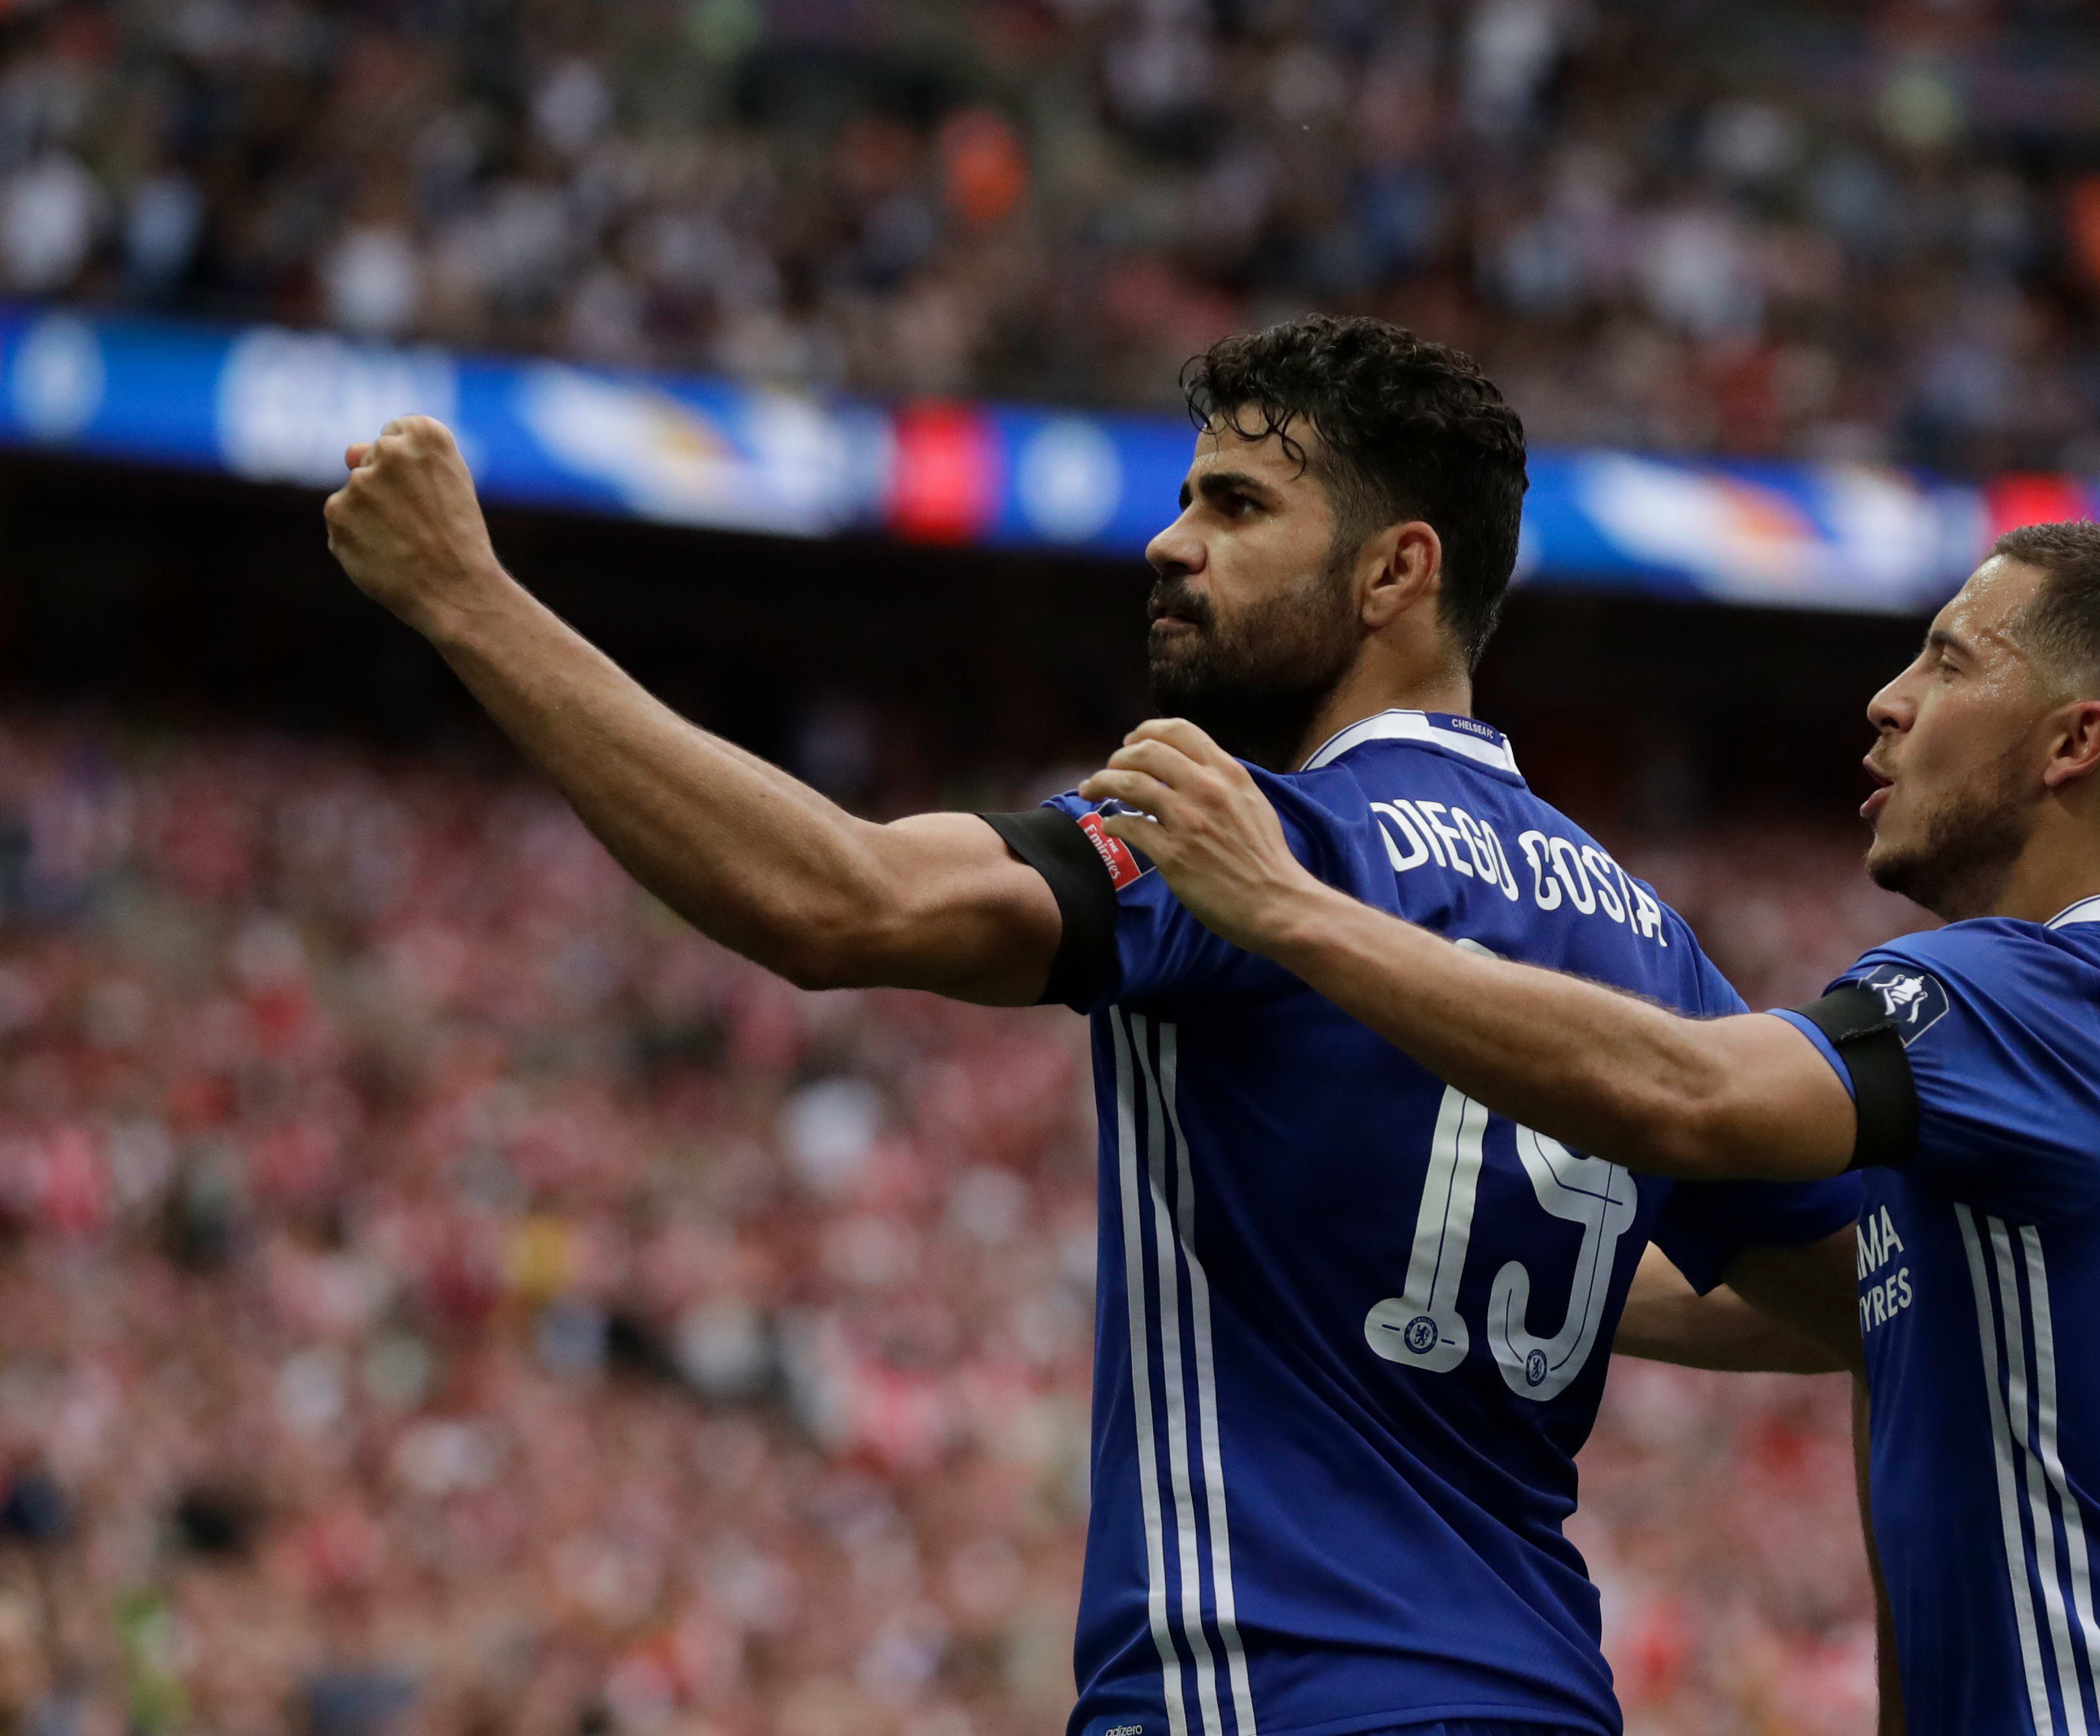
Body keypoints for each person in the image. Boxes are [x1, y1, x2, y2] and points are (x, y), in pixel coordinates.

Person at [318, 314, 1865, 1736]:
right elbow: (1850, 1302)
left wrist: (467, 599)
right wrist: (1544, 1273)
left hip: (1265, 1691)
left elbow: (833, 899)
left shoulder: (1248, 836)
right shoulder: (1645, 939)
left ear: (1395, 572)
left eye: (1236, 507)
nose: (1167, 541)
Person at [1081, 522, 2100, 1735]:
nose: (1889, 700)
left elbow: (1689, 1093)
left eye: (1950, 661)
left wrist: (1289, 908)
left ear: (2076, 743)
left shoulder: (2032, 998)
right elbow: (1848, 1300)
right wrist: (1369, 1245)